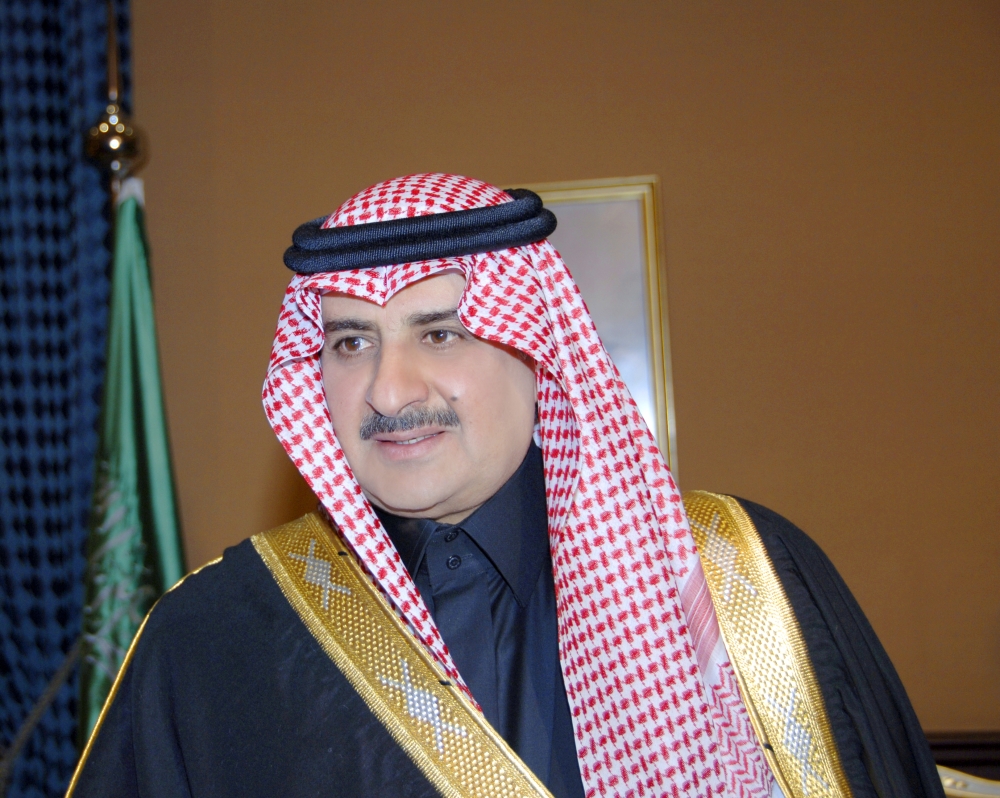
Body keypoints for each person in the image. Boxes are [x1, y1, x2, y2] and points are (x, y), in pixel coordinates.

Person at [67, 174, 944, 798]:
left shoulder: (737, 582)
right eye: (350, 343)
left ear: (537, 351)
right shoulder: (212, 641)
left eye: (440, 334)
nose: (388, 391)